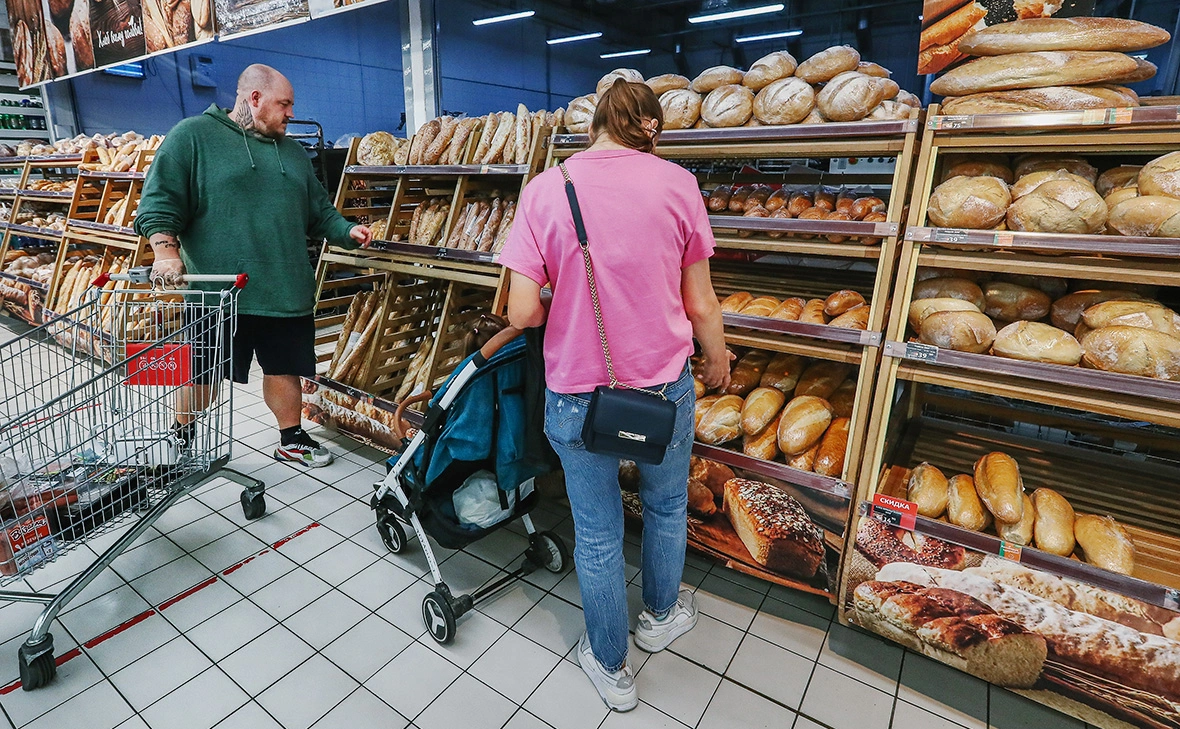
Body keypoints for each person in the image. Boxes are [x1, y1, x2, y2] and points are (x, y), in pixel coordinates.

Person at [500, 79, 730, 712]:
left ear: (593, 125)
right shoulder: (679, 185)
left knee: (597, 533)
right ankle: (659, 618)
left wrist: (567, 294)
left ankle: (610, 666)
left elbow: (522, 312)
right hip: (662, 388)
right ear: (652, 130)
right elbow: (701, 302)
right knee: (666, 505)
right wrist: (716, 360)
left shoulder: (545, 189)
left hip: (577, 391)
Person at [135, 64, 371, 468]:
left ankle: (292, 438)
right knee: (204, 375)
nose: (291, 113)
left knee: (285, 369)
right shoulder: (193, 137)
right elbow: (159, 202)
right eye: (285, 104)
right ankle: (181, 434)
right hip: (219, 294)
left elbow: (319, 213)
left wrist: (347, 231)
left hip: (285, 287)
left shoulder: (293, 153)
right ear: (255, 98)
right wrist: (165, 253)